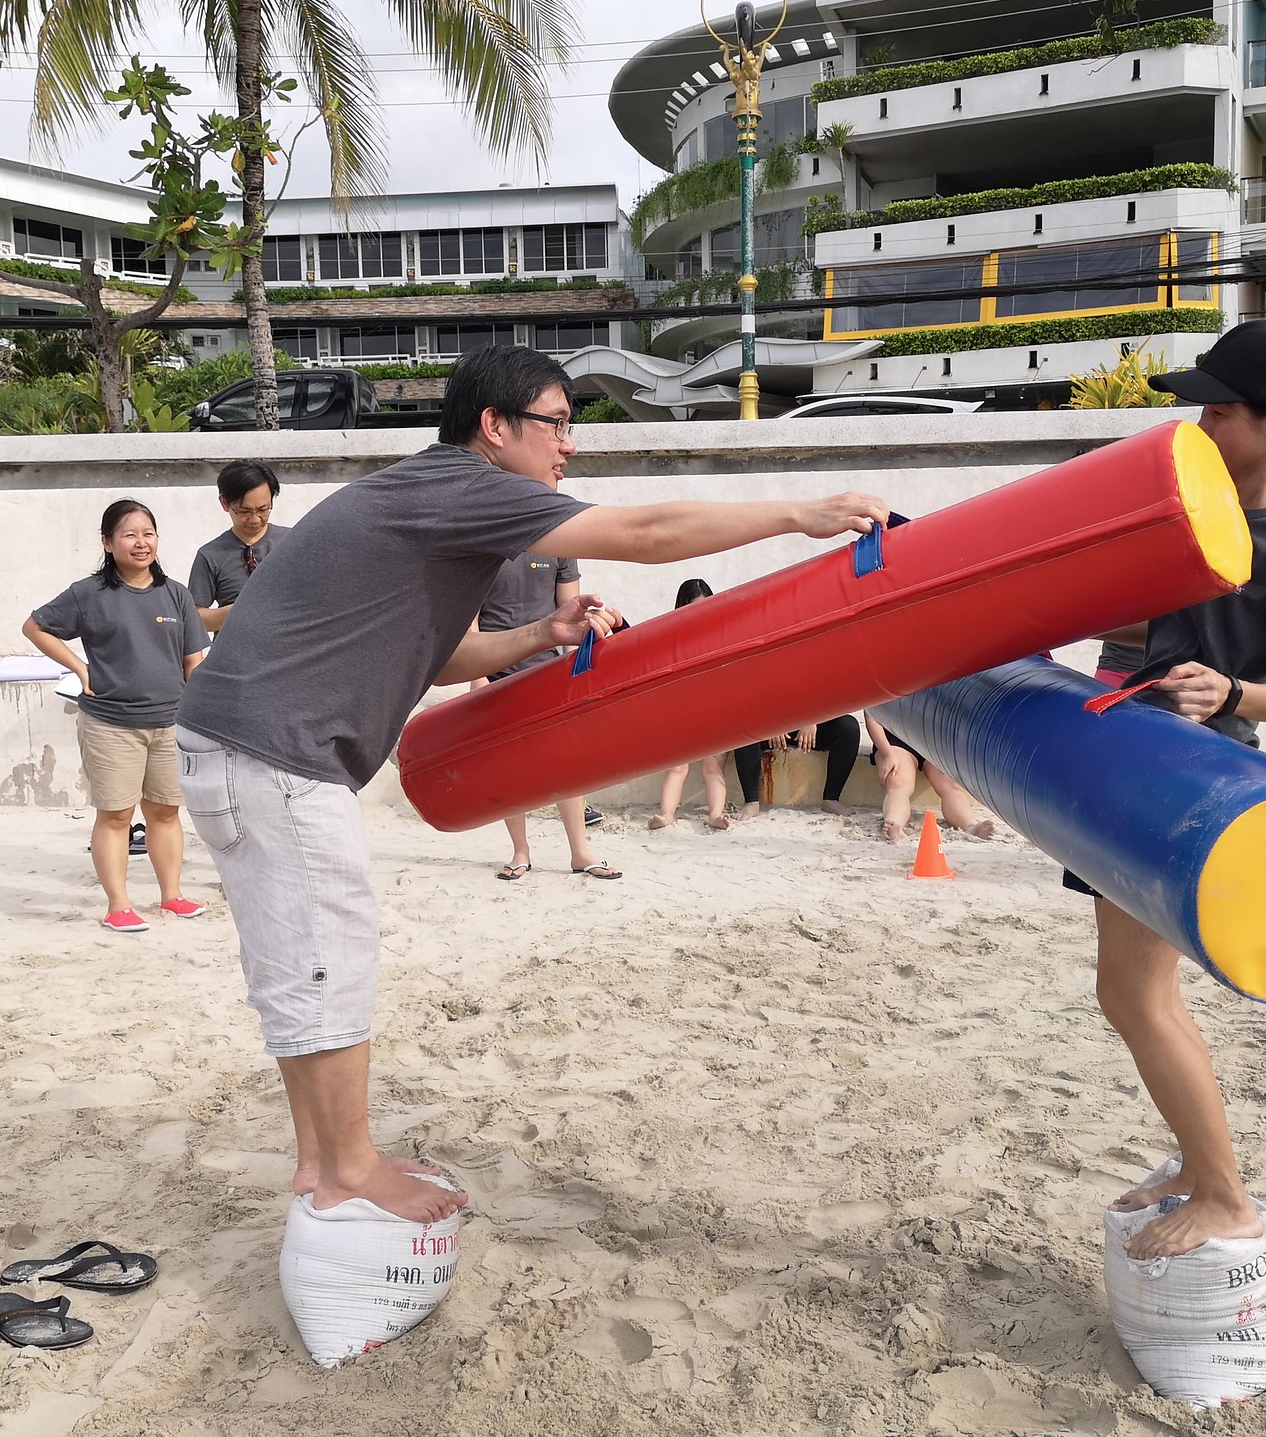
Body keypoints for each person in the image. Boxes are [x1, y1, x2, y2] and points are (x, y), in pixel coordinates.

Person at [173, 344, 887, 1237]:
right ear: (495, 426)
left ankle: (322, 1157)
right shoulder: (464, 485)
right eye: (557, 423)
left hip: (243, 747)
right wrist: (798, 513)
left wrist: (539, 635)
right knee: (326, 959)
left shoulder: (433, 496)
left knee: (299, 961)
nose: (569, 445)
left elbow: (440, 659)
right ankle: (348, 1169)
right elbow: (644, 533)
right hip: (272, 755)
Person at [1080, 319, 1266, 1257]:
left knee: (1137, 996)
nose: (1199, 426)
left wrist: (1227, 690)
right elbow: (1132, 623)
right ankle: (1197, 1167)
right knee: (1128, 992)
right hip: (1128, 747)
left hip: (1195, 774)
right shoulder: (1183, 501)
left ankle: (1224, 1194)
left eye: (1218, 412)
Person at [25, 500, 211, 932]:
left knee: (166, 812)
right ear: (108, 543)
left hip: (169, 723)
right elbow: (35, 627)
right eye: (129, 535)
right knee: (116, 815)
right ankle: (118, 905)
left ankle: (172, 896)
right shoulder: (88, 594)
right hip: (110, 724)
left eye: (148, 533)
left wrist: (199, 710)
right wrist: (79, 667)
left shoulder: (176, 594)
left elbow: (193, 661)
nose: (141, 543)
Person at [471, 550, 619, 881]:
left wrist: (576, 674)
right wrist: (477, 678)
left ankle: (580, 853)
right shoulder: (486, 539)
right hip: (494, 669)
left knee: (565, 762)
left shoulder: (561, 547)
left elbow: (572, 613)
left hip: (547, 670)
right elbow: (471, 619)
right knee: (508, 765)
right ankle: (520, 852)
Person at [647, 580, 733, 831]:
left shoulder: (720, 634)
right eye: (693, 607)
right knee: (677, 766)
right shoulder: (672, 635)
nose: (700, 613)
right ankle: (666, 814)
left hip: (715, 709)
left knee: (712, 765)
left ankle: (715, 815)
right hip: (682, 710)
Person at [189, 460, 290, 633]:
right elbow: (194, 619)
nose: (255, 519)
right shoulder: (210, 555)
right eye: (244, 511)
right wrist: (242, 611)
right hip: (235, 647)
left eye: (263, 510)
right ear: (225, 503)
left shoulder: (292, 542)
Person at [865, 717, 997, 841]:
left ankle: (970, 825)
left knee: (951, 785)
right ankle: (895, 822)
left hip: (934, 741)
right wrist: (887, 753)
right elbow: (872, 715)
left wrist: (952, 753)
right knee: (899, 781)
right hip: (895, 738)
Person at [733, 715, 865, 818]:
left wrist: (813, 720)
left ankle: (831, 799)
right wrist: (773, 722)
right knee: (745, 726)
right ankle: (751, 801)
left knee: (848, 727)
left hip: (810, 727)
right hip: (771, 726)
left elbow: (831, 698)